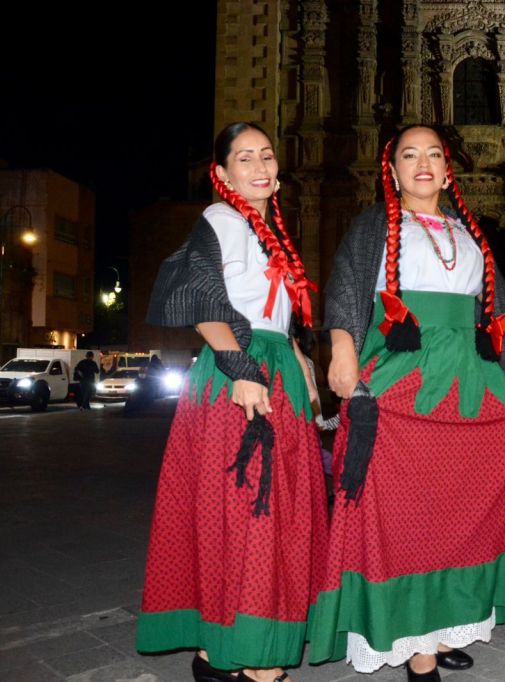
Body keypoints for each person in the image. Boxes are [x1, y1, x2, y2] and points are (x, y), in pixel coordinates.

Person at [308, 125, 505, 681]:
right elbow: (345, 286)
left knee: (457, 508)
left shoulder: (468, 230)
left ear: (449, 170)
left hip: (468, 378)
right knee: (404, 510)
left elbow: (501, 306)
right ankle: (416, 644)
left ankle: (444, 625)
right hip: (405, 375)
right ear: (391, 170)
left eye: (434, 154)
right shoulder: (375, 224)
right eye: (408, 155)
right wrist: (342, 352)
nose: (423, 163)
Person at [137, 122, 327, 682]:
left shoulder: (270, 228)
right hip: (237, 371)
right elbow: (200, 300)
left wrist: (304, 370)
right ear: (222, 174)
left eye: (266, 156)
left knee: (269, 512)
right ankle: (258, 661)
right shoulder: (220, 220)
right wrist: (243, 369)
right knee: (254, 511)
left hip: (275, 371)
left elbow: (279, 317)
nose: (260, 167)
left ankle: (214, 654)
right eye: (245, 159)